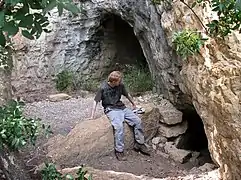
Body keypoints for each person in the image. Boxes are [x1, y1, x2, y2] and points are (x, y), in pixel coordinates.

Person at [90, 71, 150, 161]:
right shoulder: (103, 87)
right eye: (119, 81)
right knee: (119, 127)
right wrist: (92, 115)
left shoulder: (120, 85)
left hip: (122, 108)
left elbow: (127, 94)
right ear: (113, 81)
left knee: (137, 121)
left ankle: (139, 144)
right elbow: (96, 101)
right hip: (111, 109)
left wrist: (134, 104)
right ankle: (119, 150)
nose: (120, 82)